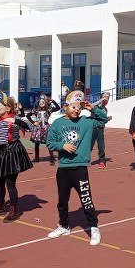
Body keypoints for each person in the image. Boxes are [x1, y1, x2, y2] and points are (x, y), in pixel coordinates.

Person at [46, 90, 109, 245]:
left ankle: (94, 228)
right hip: (63, 168)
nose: (77, 110)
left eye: (79, 108)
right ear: (65, 107)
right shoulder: (58, 123)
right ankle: (64, 226)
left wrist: (93, 108)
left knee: (86, 200)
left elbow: (103, 119)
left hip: (80, 168)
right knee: (62, 200)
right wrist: (62, 145)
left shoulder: (87, 122)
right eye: (73, 107)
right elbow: (49, 142)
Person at [0, 93, 33, 221]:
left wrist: (16, 121)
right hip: (0, 153)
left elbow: (31, 128)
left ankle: (14, 209)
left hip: (13, 152)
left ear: (8, 108)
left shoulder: (14, 119)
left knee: (10, 182)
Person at [27, 93, 60, 165]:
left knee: (49, 143)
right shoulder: (36, 110)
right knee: (36, 143)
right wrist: (33, 122)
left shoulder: (48, 110)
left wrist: (52, 101)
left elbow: (58, 108)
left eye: (43, 102)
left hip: (46, 128)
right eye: (40, 102)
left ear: (45, 103)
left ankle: (52, 159)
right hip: (38, 129)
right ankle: (37, 158)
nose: (41, 103)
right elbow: (28, 115)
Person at [90, 91, 112, 168]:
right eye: (104, 99)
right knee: (89, 145)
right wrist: (101, 100)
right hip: (92, 128)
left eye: (107, 100)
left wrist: (107, 119)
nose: (105, 101)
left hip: (100, 129)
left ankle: (102, 161)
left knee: (101, 146)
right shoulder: (95, 107)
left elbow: (103, 120)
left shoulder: (105, 110)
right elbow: (91, 106)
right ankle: (86, 160)